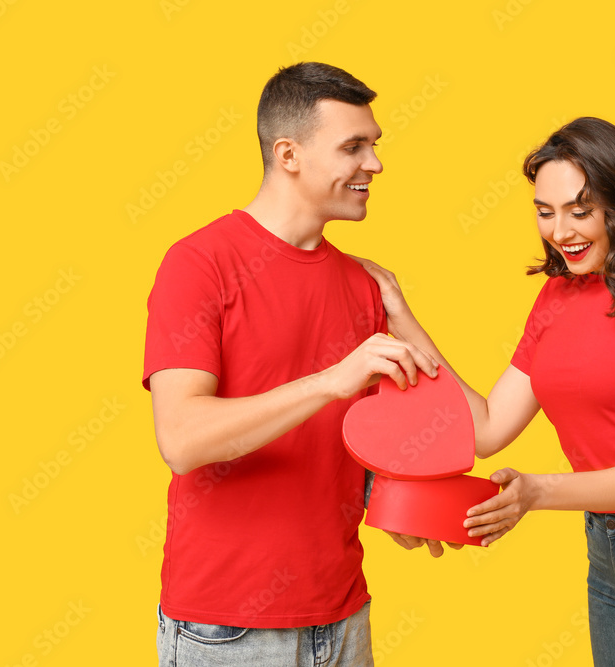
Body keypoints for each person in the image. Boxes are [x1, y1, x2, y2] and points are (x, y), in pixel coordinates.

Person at [357, 117, 615, 666]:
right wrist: (400, 313)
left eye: (580, 210)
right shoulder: (557, 296)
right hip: (610, 554)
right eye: (545, 212)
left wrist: (537, 492)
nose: (560, 231)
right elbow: (486, 428)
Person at [142, 62, 442, 666]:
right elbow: (182, 438)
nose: (375, 164)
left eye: (375, 145)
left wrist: (391, 498)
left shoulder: (364, 285)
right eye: (353, 147)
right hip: (229, 629)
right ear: (289, 154)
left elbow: (351, 440)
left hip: (341, 616)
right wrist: (330, 381)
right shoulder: (200, 264)